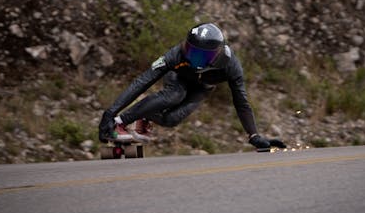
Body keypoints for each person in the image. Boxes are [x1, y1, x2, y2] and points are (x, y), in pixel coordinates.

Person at [98, 22, 286, 152]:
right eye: (191, 52)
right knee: (174, 96)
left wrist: (254, 135)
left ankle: (145, 115)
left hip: (202, 88)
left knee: (171, 120)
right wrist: (111, 113)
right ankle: (122, 122)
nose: (193, 60)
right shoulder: (177, 54)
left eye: (201, 57)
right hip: (178, 78)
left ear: (216, 55)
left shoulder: (231, 65)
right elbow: (143, 80)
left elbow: (241, 102)